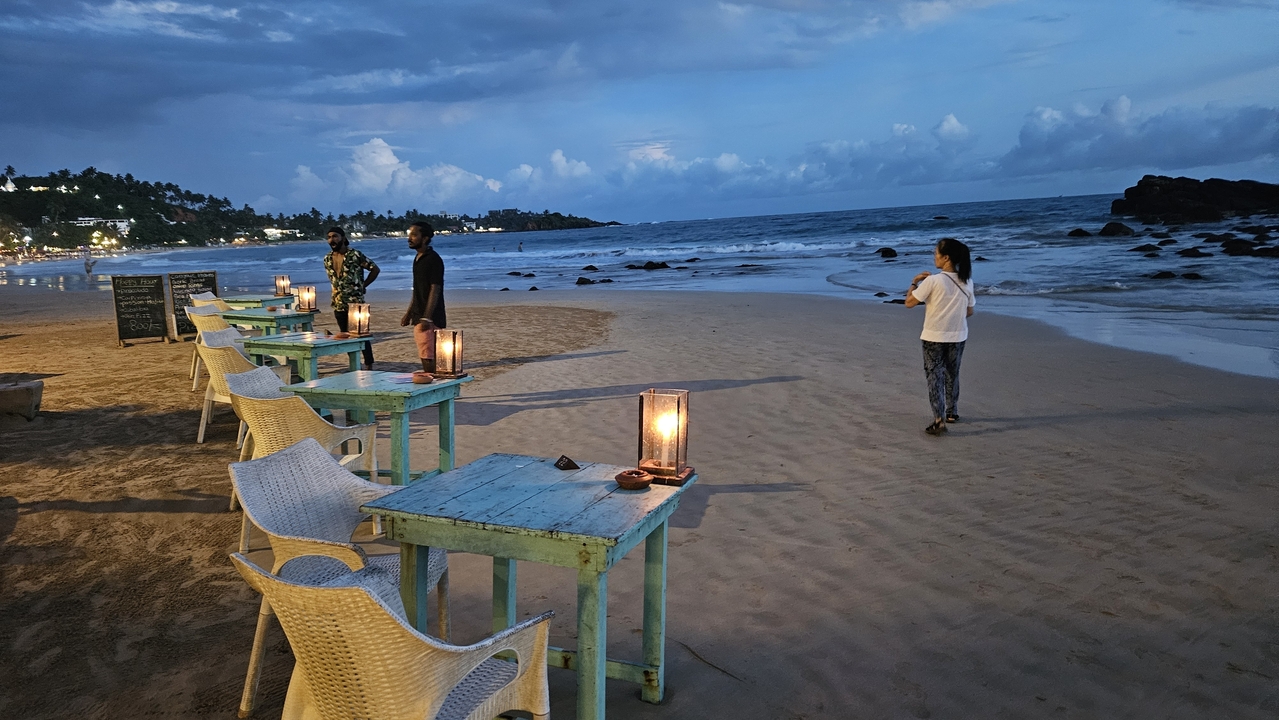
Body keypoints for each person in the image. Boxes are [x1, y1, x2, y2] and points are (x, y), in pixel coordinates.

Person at [904, 237, 975, 436]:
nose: (934, 257)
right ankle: (952, 412)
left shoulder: (932, 281)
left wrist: (914, 282)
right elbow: (969, 311)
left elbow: (909, 303)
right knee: (953, 373)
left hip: (934, 335)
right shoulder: (966, 280)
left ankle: (939, 419)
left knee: (935, 377)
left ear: (945, 258)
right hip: (958, 335)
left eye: (936, 253)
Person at [323, 227, 379, 369]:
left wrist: (363, 285)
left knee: (362, 335)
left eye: (335, 236)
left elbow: (375, 269)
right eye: (329, 237)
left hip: (356, 303)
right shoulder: (327, 258)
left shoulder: (355, 255)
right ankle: (354, 364)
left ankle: (369, 364)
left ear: (342, 237)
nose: (331, 240)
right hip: (338, 302)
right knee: (345, 336)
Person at [401, 221, 446, 373]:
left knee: (428, 355)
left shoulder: (433, 259)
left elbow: (435, 288)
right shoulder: (418, 258)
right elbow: (418, 290)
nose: (409, 238)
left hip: (430, 316)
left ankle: (434, 390)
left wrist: (427, 317)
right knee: (426, 353)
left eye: (414, 235)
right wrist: (409, 313)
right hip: (419, 314)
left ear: (425, 238)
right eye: (409, 235)